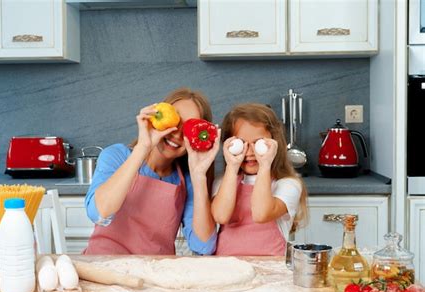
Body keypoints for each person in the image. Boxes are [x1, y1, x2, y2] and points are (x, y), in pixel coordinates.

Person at [83, 87, 220, 255]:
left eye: (189, 128)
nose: (177, 134)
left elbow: (204, 247)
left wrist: (198, 177)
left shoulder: (186, 181)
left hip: (155, 273)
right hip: (104, 267)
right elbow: (99, 213)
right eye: (175, 121)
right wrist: (143, 148)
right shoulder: (116, 156)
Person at [211, 103, 308, 256]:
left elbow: (261, 214)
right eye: (241, 143)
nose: (249, 152)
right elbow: (221, 216)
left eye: (258, 143)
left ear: (274, 143)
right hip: (226, 267)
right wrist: (232, 166)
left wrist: (265, 165)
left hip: (271, 268)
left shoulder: (288, 184)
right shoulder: (223, 183)